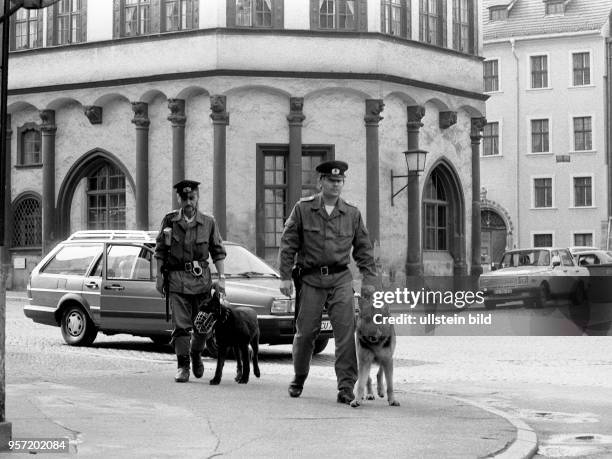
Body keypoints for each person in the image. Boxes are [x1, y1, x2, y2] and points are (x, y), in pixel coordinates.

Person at [278, 160, 378, 404]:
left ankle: (346, 387)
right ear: (320, 182)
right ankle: (299, 376)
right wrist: (284, 276)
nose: (336, 184)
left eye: (339, 181)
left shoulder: (352, 213)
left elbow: (363, 247)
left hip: (340, 278)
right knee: (306, 333)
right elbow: (288, 242)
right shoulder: (303, 209)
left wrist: (369, 279)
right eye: (331, 180)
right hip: (311, 278)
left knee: (345, 334)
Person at [155, 180, 226, 383]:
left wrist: (221, 279)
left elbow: (218, 252)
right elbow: (160, 250)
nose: (188, 201)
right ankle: (183, 365)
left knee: (203, 325)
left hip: (201, 282)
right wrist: (158, 277)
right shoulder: (170, 221)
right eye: (184, 198)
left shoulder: (209, 222)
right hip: (177, 280)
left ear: (197, 198)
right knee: (181, 326)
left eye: (192, 197)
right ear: (179, 199)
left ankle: (196, 353)